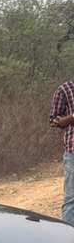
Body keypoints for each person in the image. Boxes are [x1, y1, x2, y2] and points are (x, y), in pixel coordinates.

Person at [49, 79, 74, 223]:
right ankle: (69, 239)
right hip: (73, 151)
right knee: (71, 199)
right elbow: (53, 120)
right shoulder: (65, 89)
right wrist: (71, 118)